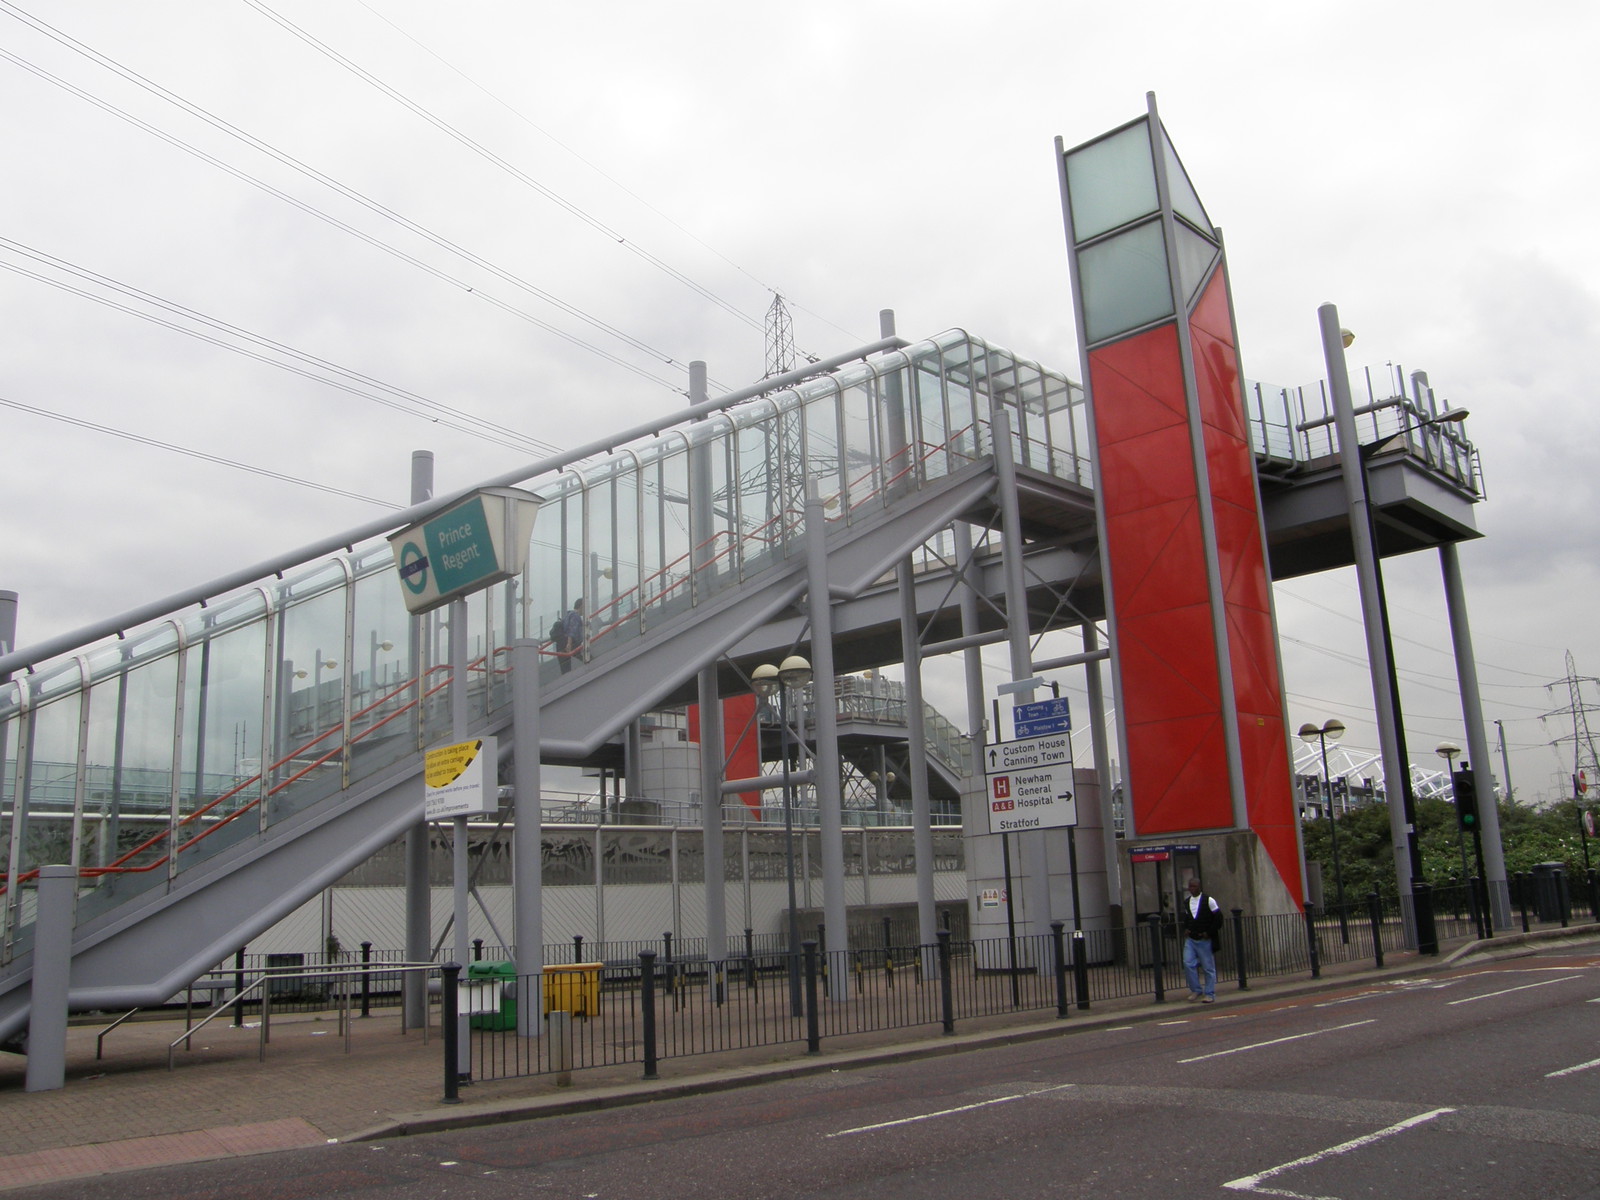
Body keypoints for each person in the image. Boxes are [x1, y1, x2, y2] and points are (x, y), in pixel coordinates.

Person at [1181, 876, 1222, 1003]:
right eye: (1189, 886)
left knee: (1208, 967)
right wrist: (1186, 928)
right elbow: (1187, 917)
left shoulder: (1209, 900)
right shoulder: (1187, 902)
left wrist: (1209, 932)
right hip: (1191, 939)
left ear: (1199, 887)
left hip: (1204, 939)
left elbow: (1218, 918)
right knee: (1187, 963)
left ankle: (1209, 993)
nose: (1191, 889)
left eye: (1193, 886)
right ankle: (1196, 989)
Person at [555, 598, 585, 674]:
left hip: (561, 645)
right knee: (586, 657)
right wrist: (569, 643)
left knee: (565, 669)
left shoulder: (569, 615)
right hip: (570, 644)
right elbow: (571, 630)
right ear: (581, 606)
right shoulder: (575, 616)